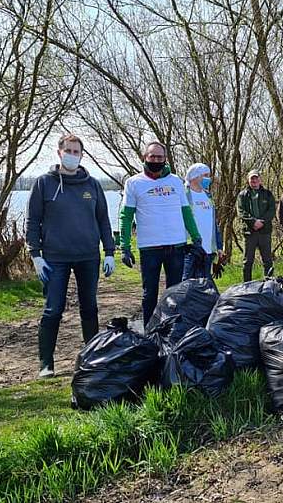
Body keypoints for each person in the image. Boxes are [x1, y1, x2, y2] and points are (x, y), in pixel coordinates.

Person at [25, 134, 115, 378]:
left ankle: (92, 358)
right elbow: (32, 221)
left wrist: (109, 252)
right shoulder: (44, 183)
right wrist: (35, 255)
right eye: (69, 151)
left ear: (82, 155)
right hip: (54, 258)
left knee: (90, 307)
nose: (72, 155)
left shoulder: (92, 185)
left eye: (77, 152)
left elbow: (103, 220)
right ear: (59, 153)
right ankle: (46, 363)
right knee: (53, 309)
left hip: (88, 256)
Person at [118, 142, 202, 325]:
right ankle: (149, 331)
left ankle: (172, 330)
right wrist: (125, 246)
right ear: (145, 157)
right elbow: (126, 216)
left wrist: (196, 237)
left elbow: (186, 212)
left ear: (165, 159)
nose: (156, 160)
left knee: (174, 293)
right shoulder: (133, 183)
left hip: (176, 246)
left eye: (160, 157)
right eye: (152, 156)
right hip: (150, 248)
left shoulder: (176, 181)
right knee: (149, 295)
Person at [183, 163, 223, 279]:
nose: (208, 179)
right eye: (205, 175)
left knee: (204, 284)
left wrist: (219, 246)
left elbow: (213, 223)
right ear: (195, 176)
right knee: (186, 283)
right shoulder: (184, 195)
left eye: (209, 176)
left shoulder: (208, 196)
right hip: (190, 249)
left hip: (208, 250)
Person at [237, 169, 276, 281]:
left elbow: (272, 210)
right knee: (248, 261)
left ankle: (268, 285)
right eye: (252, 179)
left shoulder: (267, 194)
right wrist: (253, 222)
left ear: (260, 179)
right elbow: (241, 211)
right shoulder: (243, 195)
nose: (254, 181)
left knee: (267, 260)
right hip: (250, 232)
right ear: (248, 180)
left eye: (256, 178)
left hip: (265, 231)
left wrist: (261, 222)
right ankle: (247, 285)